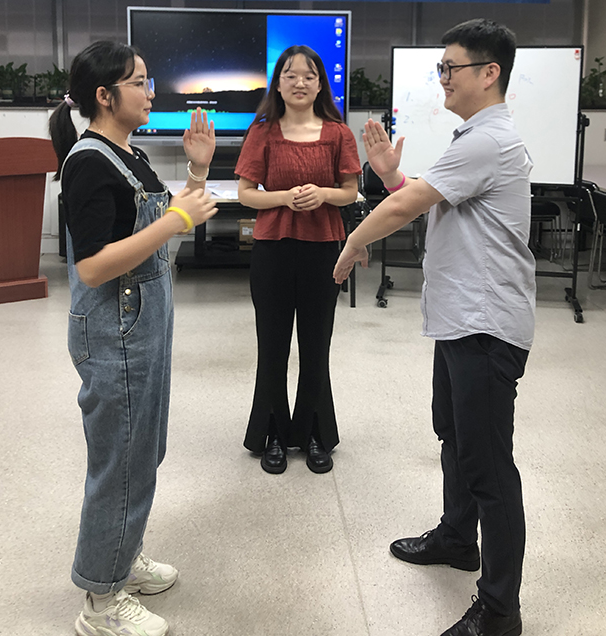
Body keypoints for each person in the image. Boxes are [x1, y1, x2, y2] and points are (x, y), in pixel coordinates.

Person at [333, 19, 535, 636]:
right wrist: (393, 175)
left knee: (489, 466)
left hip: (485, 325)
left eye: (451, 67)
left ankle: (499, 610)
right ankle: (456, 538)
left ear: (489, 73)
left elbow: (405, 205)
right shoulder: (473, 136)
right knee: (455, 437)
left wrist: (352, 245)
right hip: (461, 320)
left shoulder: (488, 139)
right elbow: (430, 199)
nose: (442, 78)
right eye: (440, 68)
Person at [49, 41, 217, 636]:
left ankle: (122, 556)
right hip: (114, 329)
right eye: (139, 82)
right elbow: (94, 266)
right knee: (119, 462)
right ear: (104, 95)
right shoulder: (88, 162)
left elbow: (165, 227)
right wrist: (177, 220)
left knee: (142, 451)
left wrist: (197, 171)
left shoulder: (130, 154)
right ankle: (100, 601)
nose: (150, 92)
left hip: (145, 323)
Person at [235, 45, 361, 474]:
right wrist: (284, 198)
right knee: (272, 346)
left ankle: (314, 433)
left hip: (323, 249)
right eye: (290, 75)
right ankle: (272, 432)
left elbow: (349, 192)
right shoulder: (263, 132)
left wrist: (323, 194)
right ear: (278, 83)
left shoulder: (339, 134)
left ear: (321, 84)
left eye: (309, 75)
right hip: (272, 249)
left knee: (316, 345)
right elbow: (246, 194)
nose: (300, 83)